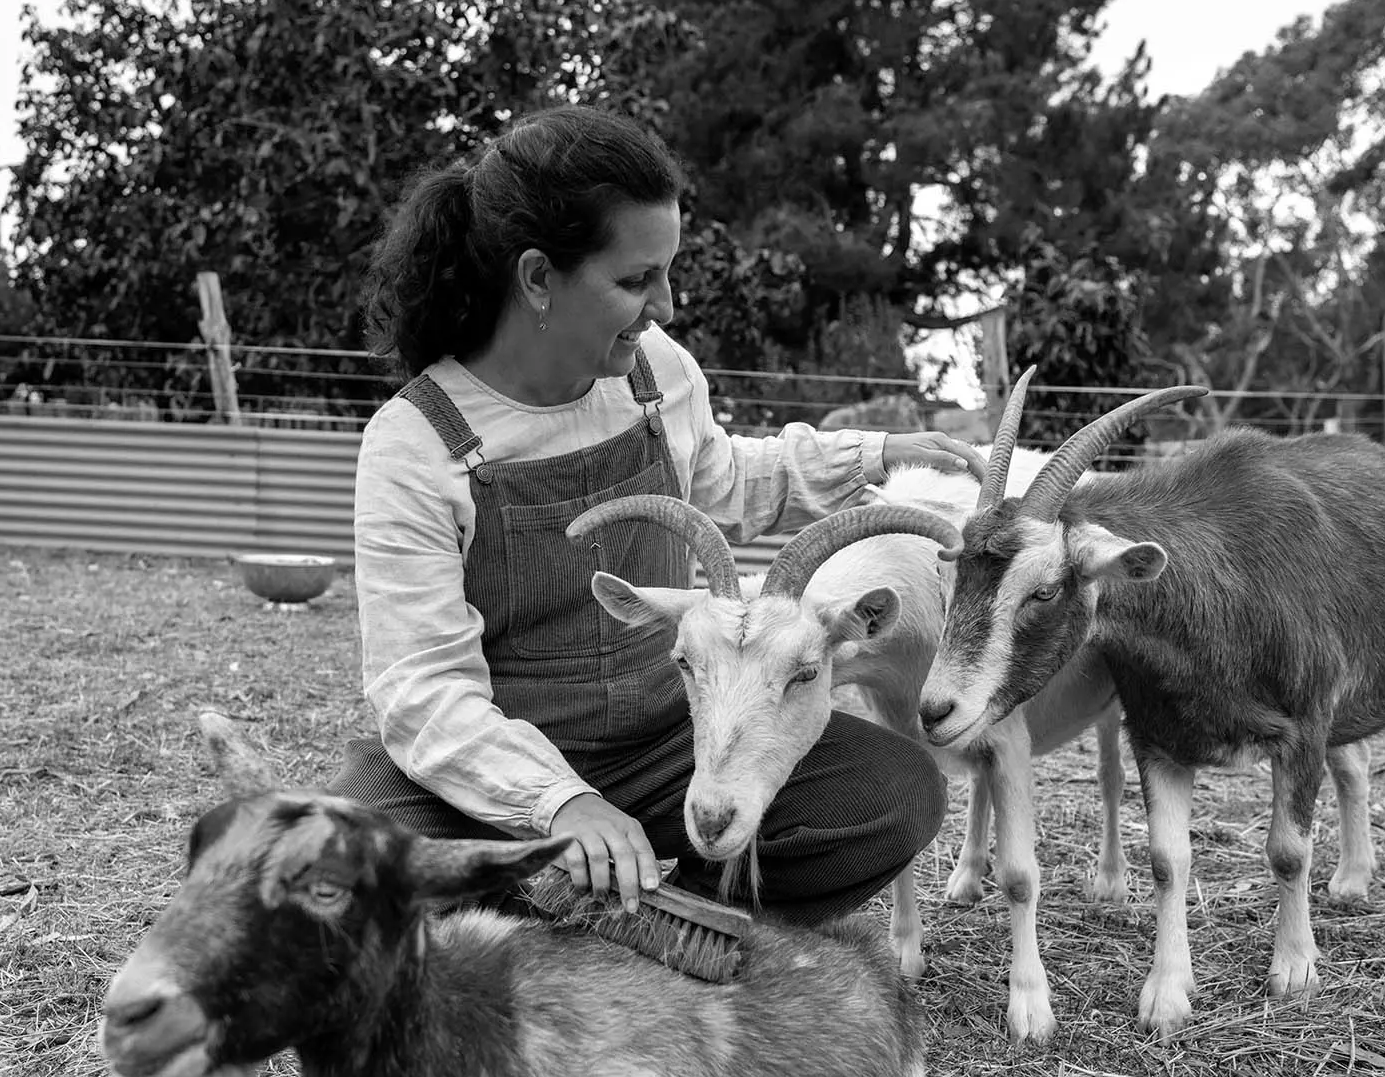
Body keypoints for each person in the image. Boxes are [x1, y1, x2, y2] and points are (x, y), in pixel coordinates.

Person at [333, 104, 983, 924]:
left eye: (666, 273)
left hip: (667, 741)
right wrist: (556, 803)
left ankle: (651, 919)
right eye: (636, 281)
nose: (666, 307)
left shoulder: (656, 372)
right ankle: (579, 909)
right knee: (353, 858)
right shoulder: (414, 443)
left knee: (894, 795)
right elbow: (421, 690)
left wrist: (876, 455)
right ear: (537, 279)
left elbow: (726, 478)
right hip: (499, 757)